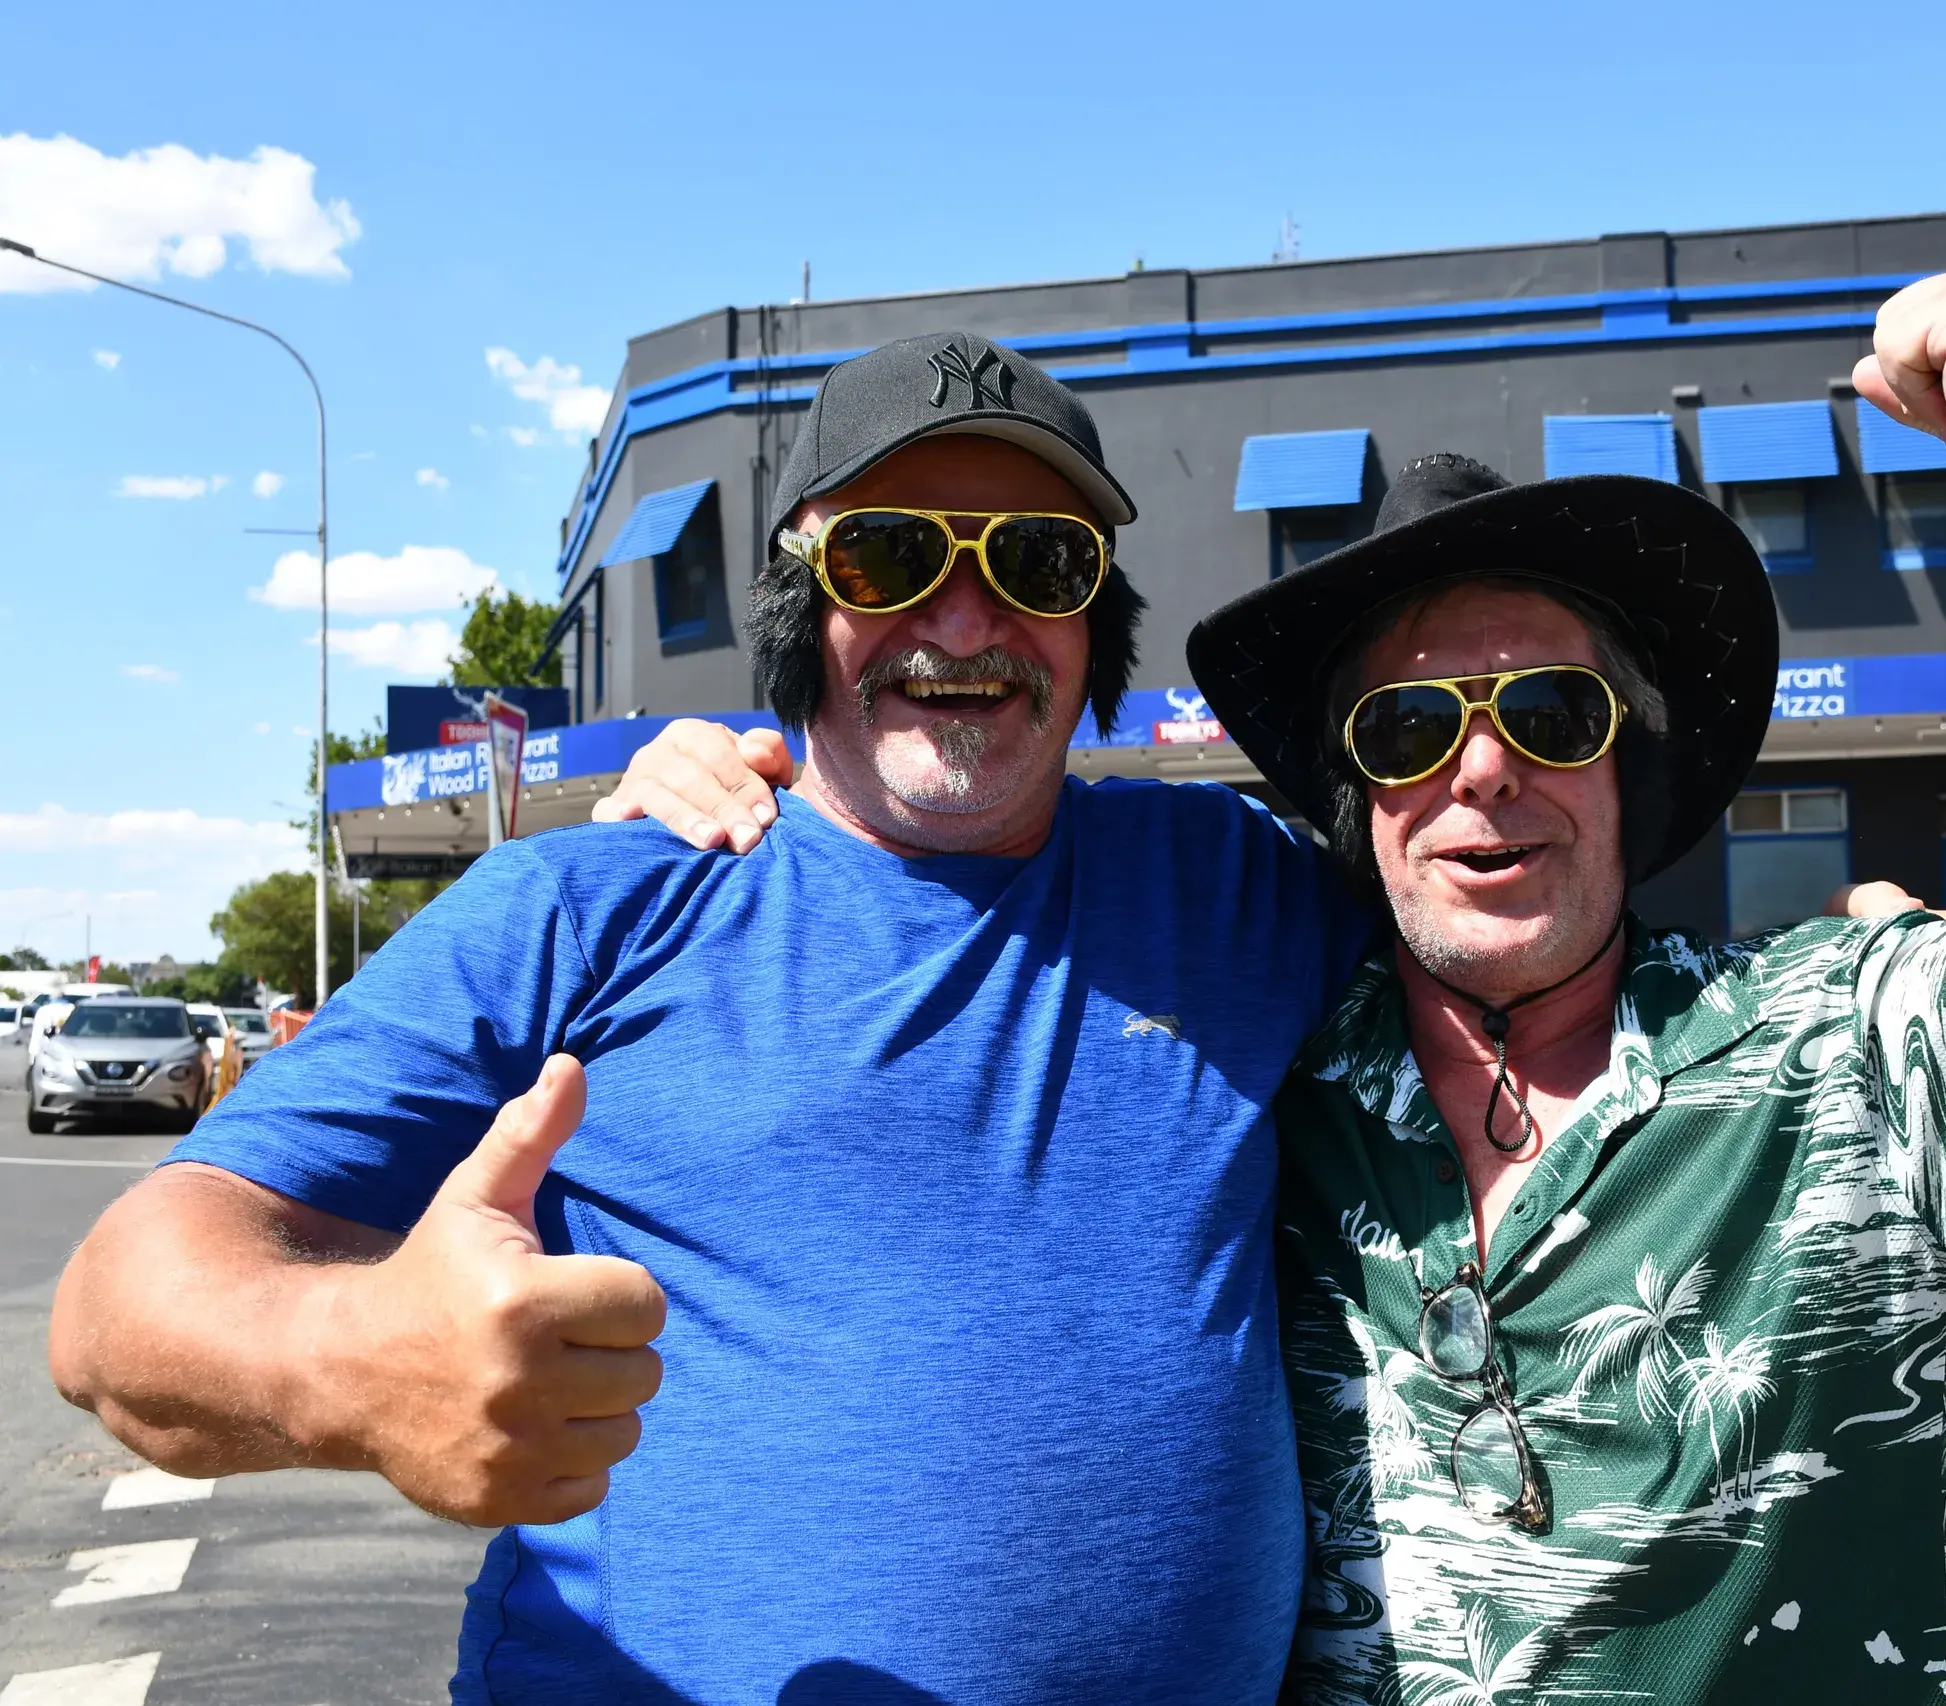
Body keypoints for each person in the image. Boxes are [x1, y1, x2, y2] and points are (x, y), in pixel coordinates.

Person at [606, 259, 1946, 1699]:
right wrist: (767, 799)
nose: (1483, 773)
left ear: (1629, 768)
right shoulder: (1258, 1073)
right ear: (1357, 803)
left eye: (1552, 714)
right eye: (1410, 728)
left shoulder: (1849, 1048)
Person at [49, 333, 1376, 1705]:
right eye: (890, 558)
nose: (967, 621)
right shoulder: (590, 907)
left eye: (1039, 562)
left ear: (1098, 612)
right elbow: (115, 1307)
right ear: (803, 603)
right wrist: (364, 1364)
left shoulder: (1237, 882)